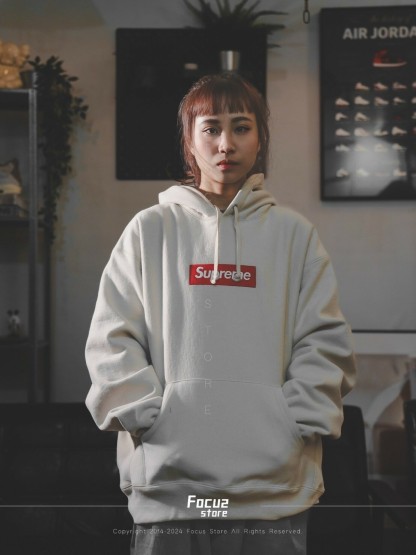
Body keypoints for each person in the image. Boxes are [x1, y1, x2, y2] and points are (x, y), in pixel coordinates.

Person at [85, 73, 356, 554]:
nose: (226, 144)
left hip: (273, 491)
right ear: (190, 141)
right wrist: (145, 418)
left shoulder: (295, 235)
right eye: (210, 128)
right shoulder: (149, 230)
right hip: (170, 489)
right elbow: (112, 337)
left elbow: (324, 341)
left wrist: (293, 421)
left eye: (241, 127)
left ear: (260, 138)